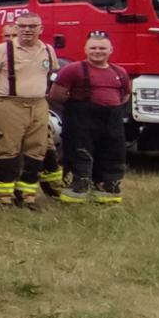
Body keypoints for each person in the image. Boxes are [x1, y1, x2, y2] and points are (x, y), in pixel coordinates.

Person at [0, 13, 58, 209]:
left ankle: (27, 194)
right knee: (7, 151)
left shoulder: (48, 50)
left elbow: (49, 75)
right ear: (17, 28)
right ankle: (3, 196)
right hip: (9, 104)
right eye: (22, 26)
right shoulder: (2, 50)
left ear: (41, 29)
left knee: (36, 151)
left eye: (32, 26)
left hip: (38, 104)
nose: (27, 30)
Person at [50, 35, 130, 206]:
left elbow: (125, 95)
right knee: (81, 152)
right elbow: (56, 94)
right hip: (81, 119)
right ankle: (78, 189)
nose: (97, 52)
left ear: (110, 50)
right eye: (93, 48)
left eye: (102, 48)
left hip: (111, 119)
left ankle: (108, 189)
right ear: (85, 50)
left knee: (112, 153)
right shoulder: (73, 70)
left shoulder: (120, 72)